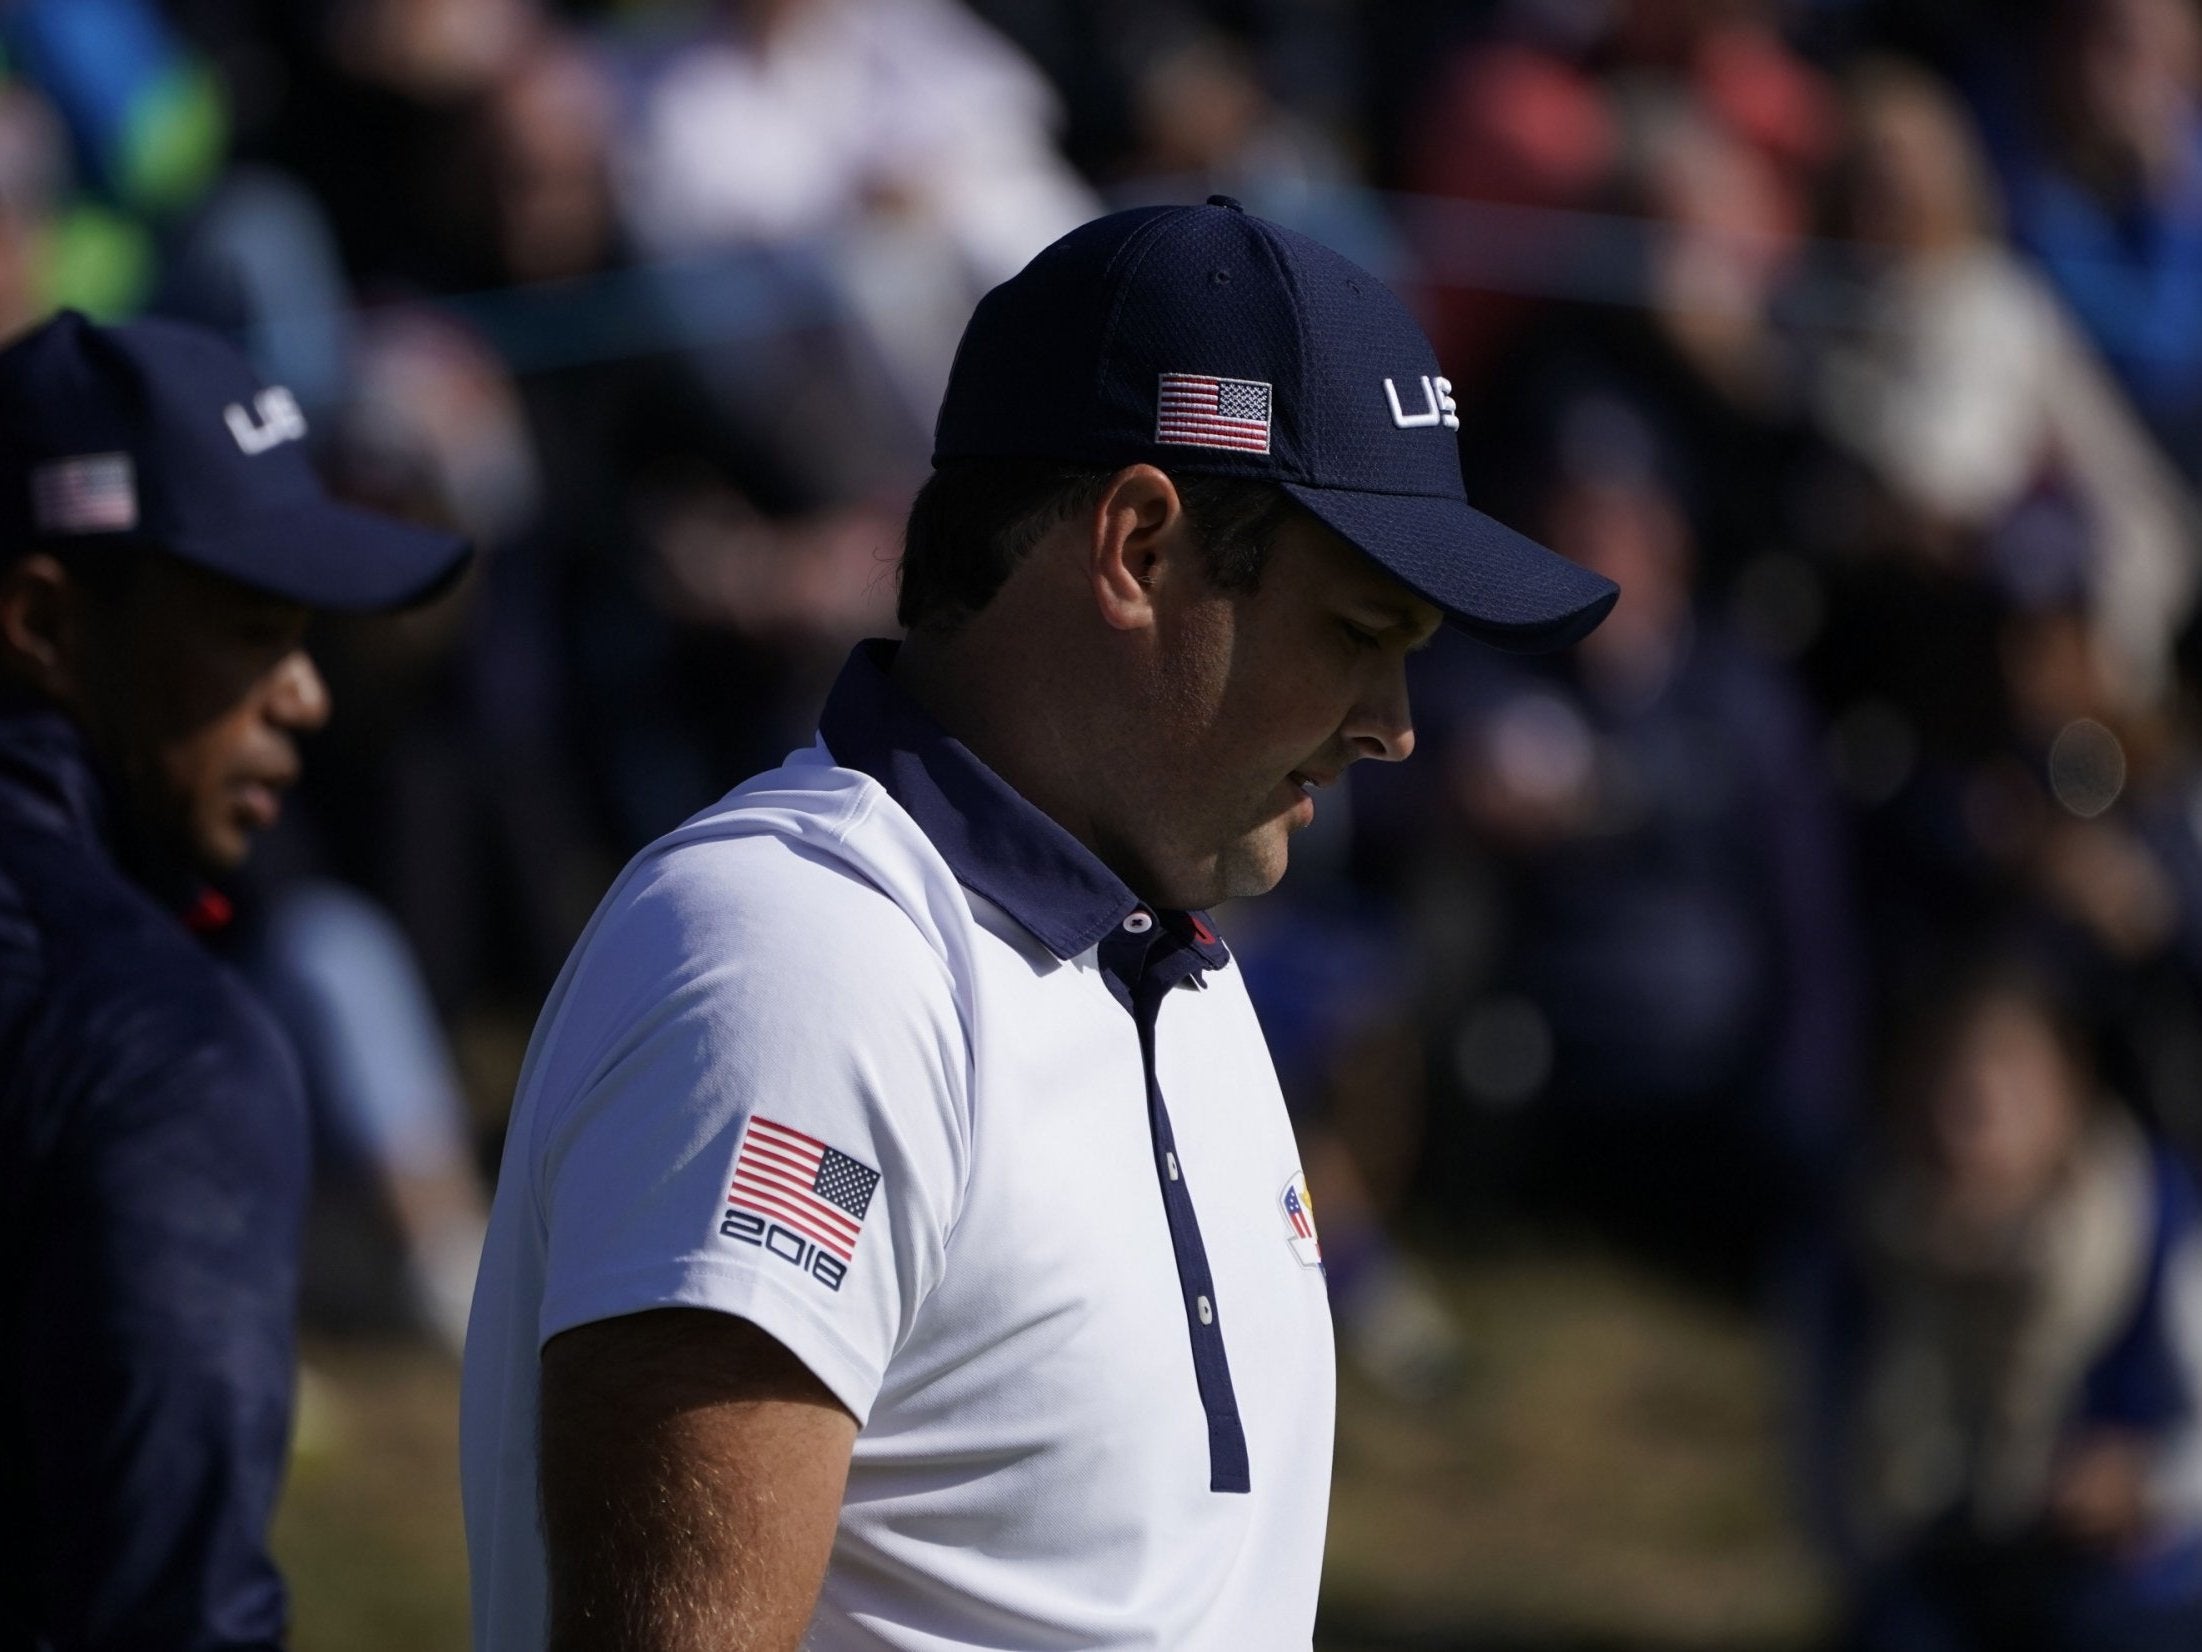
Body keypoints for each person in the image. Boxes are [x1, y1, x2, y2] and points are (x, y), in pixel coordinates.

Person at [460, 196, 1617, 1650]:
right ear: (1134, 546)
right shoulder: (806, 961)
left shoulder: (1175, 971)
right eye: (1360, 633)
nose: (1393, 729)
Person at [0, 309, 467, 1647]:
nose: (305, 694)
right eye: (253, 628)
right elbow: (171, 1618)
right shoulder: (154, 1045)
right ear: (43, 623)